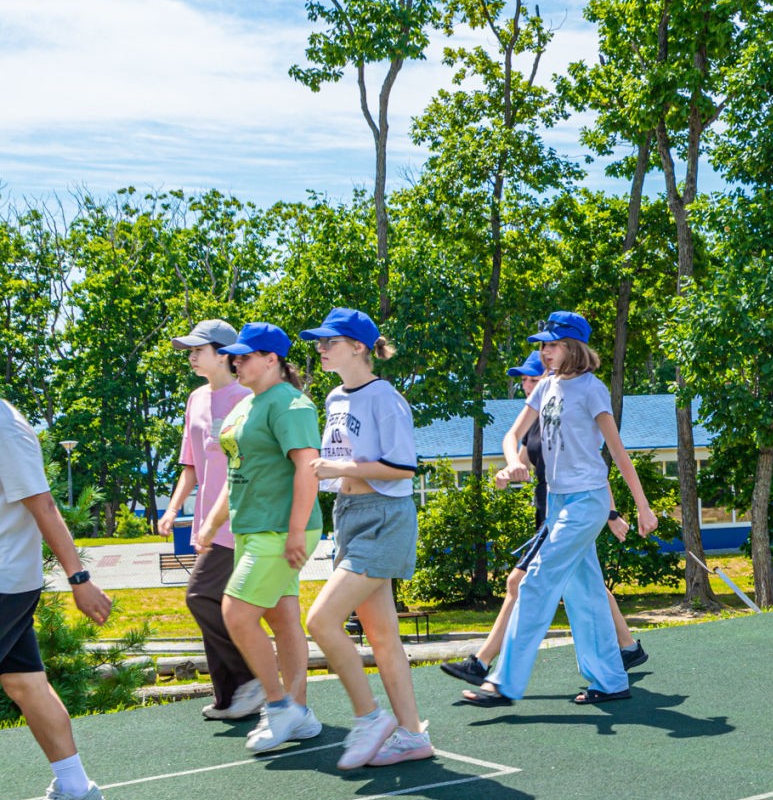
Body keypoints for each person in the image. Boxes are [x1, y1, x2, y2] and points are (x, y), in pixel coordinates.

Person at [460, 312, 657, 707]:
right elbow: (512, 434)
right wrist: (512, 463)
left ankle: (502, 684)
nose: (544, 352)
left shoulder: (592, 389)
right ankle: (610, 681)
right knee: (585, 593)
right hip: (557, 501)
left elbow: (617, 452)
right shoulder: (546, 386)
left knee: (535, 582)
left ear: (573, 348)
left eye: (552, 345)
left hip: (587, 500)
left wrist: (642, 507)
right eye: (543, 345)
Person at [298, 308, 434, 768]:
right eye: (319, 342)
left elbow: (403, 467)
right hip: (349, 515)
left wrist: (339, 468)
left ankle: (370, 716)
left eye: (329, 342)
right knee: (382, 636)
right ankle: (412, 735)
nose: (320, 349)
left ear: (358, 347)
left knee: (320, 620)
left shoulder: (385, 398)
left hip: (384, 518)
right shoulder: (335, 397)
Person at [197, 323, 324, 753]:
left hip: (280, 528)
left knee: (235, 613)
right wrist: (212, 524)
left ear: (272, 359)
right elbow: (238, 473)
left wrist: (296, 532)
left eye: (245, 356)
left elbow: (308, 468)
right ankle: (299, 712)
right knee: (282, 618)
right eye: (234, 356)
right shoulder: (246, 406)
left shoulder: (291, 404)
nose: (236, 362)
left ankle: (278, 704)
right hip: (251, 528)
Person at [4, 396, 112, 800]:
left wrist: (79, 578)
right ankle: (75, 789)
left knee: (25, 683)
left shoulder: (4, 427)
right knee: (24, 682)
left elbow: (44, 506)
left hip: (5, 580)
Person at [158, 318, 264, 721]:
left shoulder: (247, 397)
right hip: (205, 522)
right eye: (189, 350)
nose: (191, 356)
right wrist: (173, 510)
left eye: (198, 350)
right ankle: (230, 697)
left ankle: (254, 678)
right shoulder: (196, 399)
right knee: (213, 604)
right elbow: (190, 464)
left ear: (223, 355)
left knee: (200, 596)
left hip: (238, 521)